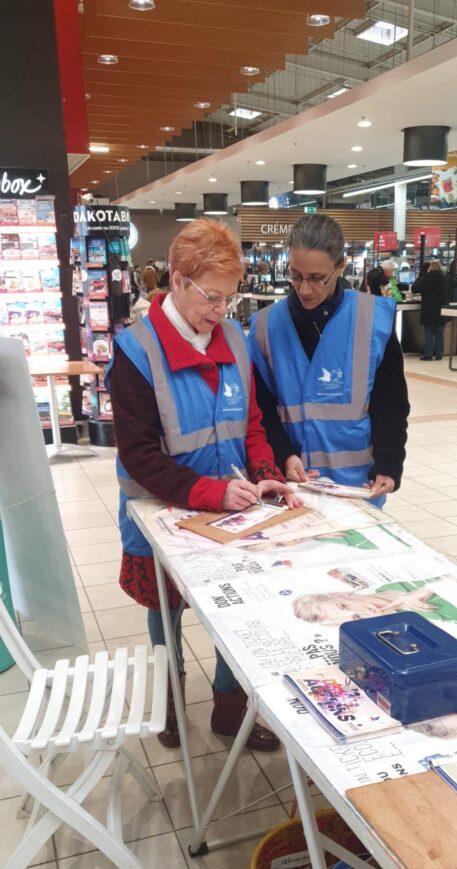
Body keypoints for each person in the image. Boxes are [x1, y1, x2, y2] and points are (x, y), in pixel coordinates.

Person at [106, 218, 300, 752]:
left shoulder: (234, 340)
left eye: (230, 300)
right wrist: (210, 492)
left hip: (233, 513)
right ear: (177, 280)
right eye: (212, 297)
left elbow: (253, 424)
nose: (221, 311)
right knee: (165, 613)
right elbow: (139, 455)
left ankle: (229, 709)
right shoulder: (136, 352)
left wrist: (265, 474)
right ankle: (168, 703)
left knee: (233, 611)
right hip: (160, 513)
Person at [249, 214, 410, 504]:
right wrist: (284, 454)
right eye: (296, 275)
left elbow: (391, 406)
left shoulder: (374, 320)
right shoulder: (265, 327)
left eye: (316, 278)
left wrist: (389, 462)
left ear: (340, 266)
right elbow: (261, 411)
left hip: (358, 488)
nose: (304, 289)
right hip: (293, 489)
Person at [292, 580, 457, 629]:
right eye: (356, 618)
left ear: (338, 594)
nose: (362, 612)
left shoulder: (391, 586)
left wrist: (427, 589)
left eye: (343, 606)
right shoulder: (408, 624)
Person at [411, 259, 451, 361]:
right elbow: (455, 284)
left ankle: (428, 354)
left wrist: (421, 276)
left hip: (428, 309)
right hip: (441, 309)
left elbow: (414, 288)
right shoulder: (445, 278)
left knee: (428, 332)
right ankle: (439, 354)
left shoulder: (425, 278)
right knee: (439, 332)